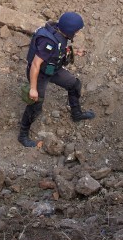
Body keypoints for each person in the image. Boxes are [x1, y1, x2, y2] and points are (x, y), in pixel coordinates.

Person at [19, 12, 95, 147]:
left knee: (74, 84)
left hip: (53, 69)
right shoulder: (48, 41)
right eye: (76, 30)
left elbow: (58, 49)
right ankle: (23, 135)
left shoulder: (60, 32)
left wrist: (73, 52)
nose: (77, 33)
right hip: (40, 73)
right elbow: (36, 64)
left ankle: (76, 113)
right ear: (70, 30)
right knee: (35, 104)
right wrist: (33, 89)